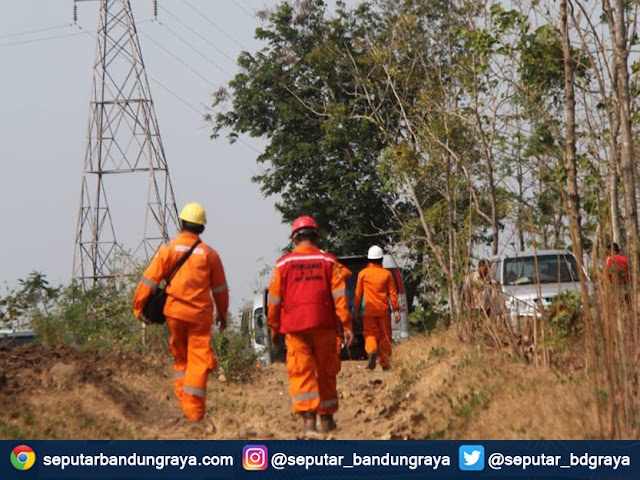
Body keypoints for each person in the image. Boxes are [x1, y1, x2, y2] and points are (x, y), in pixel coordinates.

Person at [133, 202, 229, 423]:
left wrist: (138, 307)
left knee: (180, 359)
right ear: (202, 228)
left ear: (182, 223)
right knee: (198, 360)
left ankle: (185, 405)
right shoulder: (209, 255)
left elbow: (149, 280)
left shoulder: (167, 250)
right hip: (199, 317)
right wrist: (222, 315)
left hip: (174, 314)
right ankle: (193, 413)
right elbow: (220, 290)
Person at [267, 215, 353, 434]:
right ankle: (326, 420)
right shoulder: (329, 262)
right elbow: (340, 297)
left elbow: (274, 302)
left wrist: (274, 329)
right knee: (326, 371)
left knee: (301, 371)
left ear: (294, 239)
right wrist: (346, 325)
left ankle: (308, 422)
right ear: (316, 237)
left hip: (295, 329)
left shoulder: (283, 265)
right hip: (324, 326)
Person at [354, 245, 400, 371]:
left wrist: (356, 310)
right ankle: (385, 363)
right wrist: (396, 310)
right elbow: (393, 294)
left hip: (368, 311)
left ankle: (372, 350)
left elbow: (358, 294)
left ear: (369, 260)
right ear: (381, 260)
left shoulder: (363, 274)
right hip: (384, 310)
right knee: (385, 336)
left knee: (370, 334)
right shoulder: (387, 274)